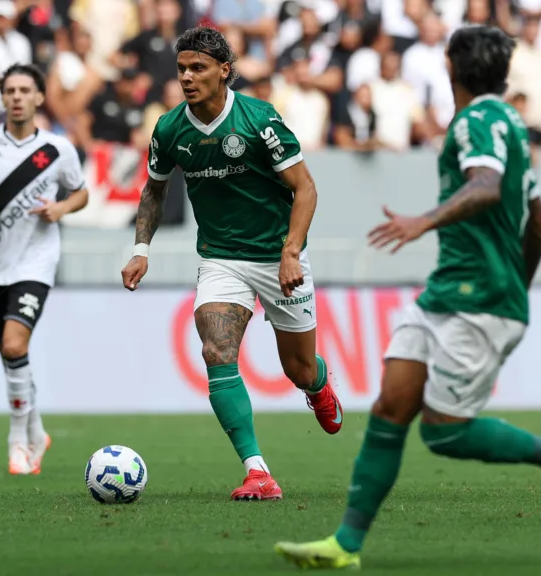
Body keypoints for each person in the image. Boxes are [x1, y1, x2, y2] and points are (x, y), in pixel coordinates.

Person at [273, 25, 541, 569]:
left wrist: (424, 222)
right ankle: (345, 546)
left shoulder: (475, 122)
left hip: (478, 296)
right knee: (390, 407)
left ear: (451, 66)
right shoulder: (510, 124)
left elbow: (486, 185)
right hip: (449, 290)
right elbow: (538, 218)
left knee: (445, 434)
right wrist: (520, 280)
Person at [120, 25, 344, 501]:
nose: (187, 77)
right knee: (216, 351)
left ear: (224, 71)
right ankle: (257, 470)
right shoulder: (169, 128)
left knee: (299, 369)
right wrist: (141, 250)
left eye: (198, 68)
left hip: (278, 256)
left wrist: (290, 252)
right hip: (221, 258)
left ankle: (319, 384)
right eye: (182, 68)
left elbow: (305, 188)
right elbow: (154, 190)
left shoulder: (259, 119)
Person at [0, 64, 89, 476]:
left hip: (36, 262)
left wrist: (60, 208)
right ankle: (37, 431)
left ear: (40, 97)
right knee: (12, 357)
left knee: (13, 346)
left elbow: (81, 193)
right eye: (11, 90)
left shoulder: (57, 149)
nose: (18, 97)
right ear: (2, 97)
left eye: (26, 90)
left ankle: (17, 441)